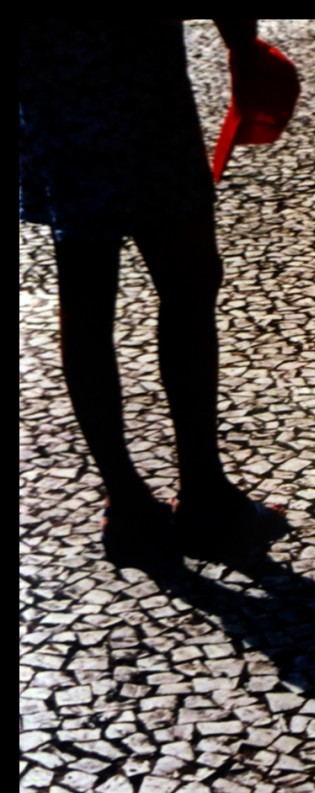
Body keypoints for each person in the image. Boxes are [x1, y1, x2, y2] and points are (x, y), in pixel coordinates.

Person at [19, 19, 291, 566]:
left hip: (49, 81)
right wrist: (241, 39)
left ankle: (127, 503)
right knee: (188, 279)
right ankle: (204, 496)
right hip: (137, 80)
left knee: (87, 286)